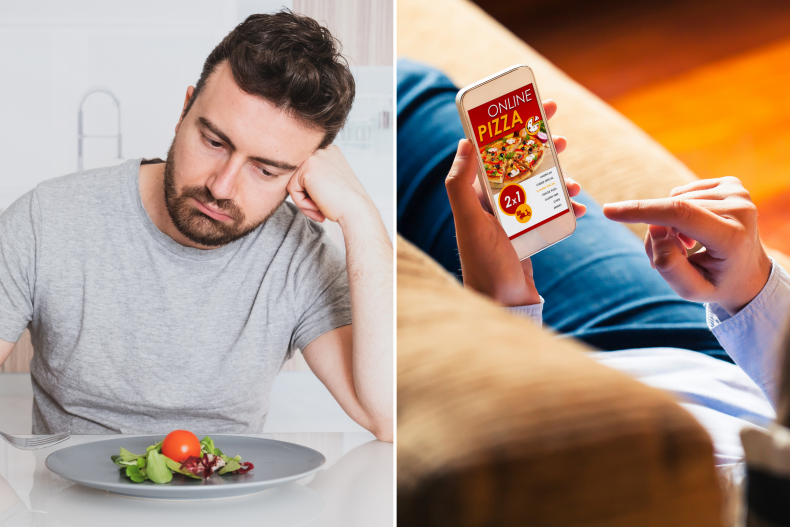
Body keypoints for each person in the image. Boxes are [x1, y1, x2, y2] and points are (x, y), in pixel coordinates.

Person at [0, 11, 392, 441]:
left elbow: (389, 419)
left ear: (301, 173)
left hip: (229, 505)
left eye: (265, 170)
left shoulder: (300, 259)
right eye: (214, 142)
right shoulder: (47, 220)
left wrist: (360, 215)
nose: (222, 187)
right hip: (62, 505)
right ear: (185, 109)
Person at [397, 60, 790, 464]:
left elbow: (529, 483)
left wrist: (503, 311)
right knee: (406, 94)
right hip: (714, 361)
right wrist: (754, 290)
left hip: (557, 417)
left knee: (400, 106)